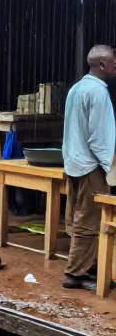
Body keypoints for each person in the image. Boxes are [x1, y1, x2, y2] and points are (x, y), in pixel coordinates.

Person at [62, 45, 116, 291]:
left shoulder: (77, 88)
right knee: (88, 221)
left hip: (74, 162)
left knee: (81, 217)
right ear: (102, 64)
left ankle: (90, 269)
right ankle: (74, 275)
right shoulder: (98, 93)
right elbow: (98, 138)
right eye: (114, 62)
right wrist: (111, 169)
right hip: (92, 166)